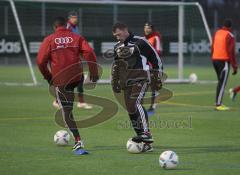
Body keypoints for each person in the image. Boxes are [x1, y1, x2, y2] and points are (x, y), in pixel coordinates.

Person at [37, 17, 99, 153]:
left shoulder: (50, 39)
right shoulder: (77, 37)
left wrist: (49, 78)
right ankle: (81, 101)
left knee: (67, 112)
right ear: (66, 25)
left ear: (54, 27)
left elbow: (41, 61)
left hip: (61, 80)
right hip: (77, 78)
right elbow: (89, 52)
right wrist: (93, 74)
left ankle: (78, 141)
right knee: (73, 89)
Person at [111, 22, 163, 152]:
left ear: (125, 30)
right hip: (126, 82)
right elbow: (116, 65)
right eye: (115, 35)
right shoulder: (117, 46)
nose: (117, 37)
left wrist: (157, 76)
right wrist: (115, 81)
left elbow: (155, 58)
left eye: (118, 34)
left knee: (136, 102)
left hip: (141, 77)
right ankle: (144, 140)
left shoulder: (140, 41)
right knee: (130, 109)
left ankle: (146, 133)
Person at [52, 11, 92, 109]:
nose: (75, 19)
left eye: (76, 17)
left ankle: (79, 102)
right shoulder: (68, 28)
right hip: (68, 58)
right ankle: (59, 100)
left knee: (78, 78)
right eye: (73, 17)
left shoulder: (75, 28)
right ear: (69, 18)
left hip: (74, 57)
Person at [211, 19, 238, 111]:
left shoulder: (217, 33)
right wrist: (235, 66)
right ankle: (218, 105)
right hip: (224, 62)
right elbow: (231, 52)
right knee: (222, 83)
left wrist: (213, 57)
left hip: (215, 60)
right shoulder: (230, 35)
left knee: (220, 82)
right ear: (230, 27)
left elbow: (212, 46)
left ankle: (218, 102)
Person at [144, 22, 162, 116]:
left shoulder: (155, 38)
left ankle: (152, 107)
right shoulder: (144, 39)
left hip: (154, 66)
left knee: (154, 88)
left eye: (148, 28)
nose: (146, 29)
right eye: (145, 27)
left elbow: (158, 52)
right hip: (145, 66)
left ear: (152, 29)